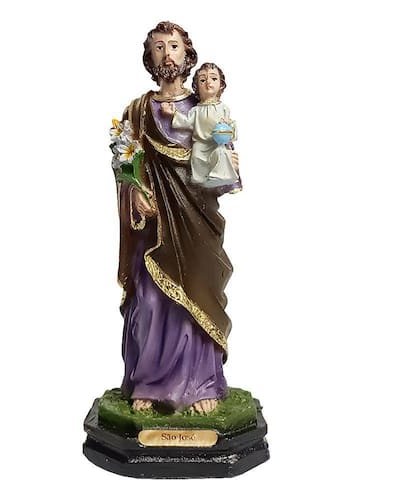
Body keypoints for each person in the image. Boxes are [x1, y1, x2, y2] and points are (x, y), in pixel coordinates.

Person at [114, 21, 239, 414]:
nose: (166, 54)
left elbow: (221, 163)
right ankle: (148, 382)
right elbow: (124, 163)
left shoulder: (204, 108)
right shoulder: (138, 110)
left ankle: (201, 384)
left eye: (173, 46)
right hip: (154, 227)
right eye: (158, 47)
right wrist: (135, 192)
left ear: (187, 55)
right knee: (150, 302)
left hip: (195, 219)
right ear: (149, 57)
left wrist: (230, 167)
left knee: (195, 297)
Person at [161, 63, 239, 190]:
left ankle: (221, 176)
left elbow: (230, 126)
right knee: (197, 157)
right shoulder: (195, 111)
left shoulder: (223, 108)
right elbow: (186, 122)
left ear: (221, 84)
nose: (208, 82)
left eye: (214, 78)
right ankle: (202, 180)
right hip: (201, 145)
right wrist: (173, 114)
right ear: (197, 87)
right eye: (202, 80)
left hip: (216, 143)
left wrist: (228, 127)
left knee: (221, 153)